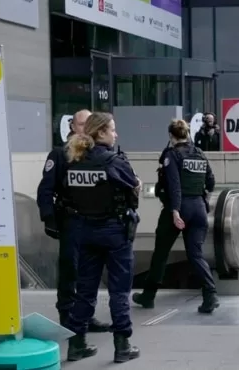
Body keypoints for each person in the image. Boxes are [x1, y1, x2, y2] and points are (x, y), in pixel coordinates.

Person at [61, 112, 141, 363]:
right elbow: (133, 187)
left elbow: (67, 195)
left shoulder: (74, 160)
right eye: (113, 130)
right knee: (119, 290)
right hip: (115, 232)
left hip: (85, 231)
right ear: (101, 132)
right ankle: (122, 345)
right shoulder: (113, 161)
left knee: (85, 290)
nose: (115, 134)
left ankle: (77, 344)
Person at [132, 120, 219, 314]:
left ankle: (148, 296)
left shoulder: (172, 155)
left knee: (161, 253)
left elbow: (174, 185)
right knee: (196, 254)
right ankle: (210, 294)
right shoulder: (199, 154)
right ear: (187, 134)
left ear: (171, 137)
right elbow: (211, 182)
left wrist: (175, 211)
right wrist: (201, 197)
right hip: (198, 208)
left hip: (178, 208)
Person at [36, 109, 111, 332]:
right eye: (81, 124)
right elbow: (45, 189)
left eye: (89, 125)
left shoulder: (98, 154)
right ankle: (67, 315)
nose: (85, 129)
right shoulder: (60, 154)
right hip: (71, 221)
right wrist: (48, 218)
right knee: (71, 269)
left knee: (90, 271)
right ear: (72, 127)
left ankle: (85, 315)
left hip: (94, 221)